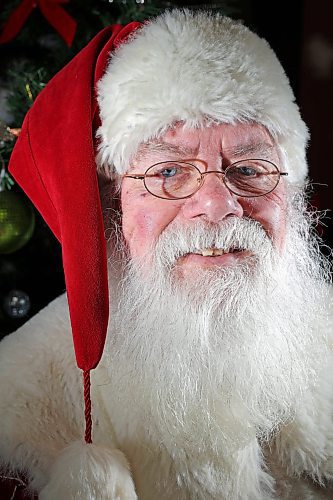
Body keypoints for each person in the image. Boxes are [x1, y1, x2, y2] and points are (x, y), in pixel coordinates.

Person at [0, 8, 332, 500]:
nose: (219, 206)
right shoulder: (18, 405)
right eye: (169, 173)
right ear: (113, 205)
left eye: (249, 168)